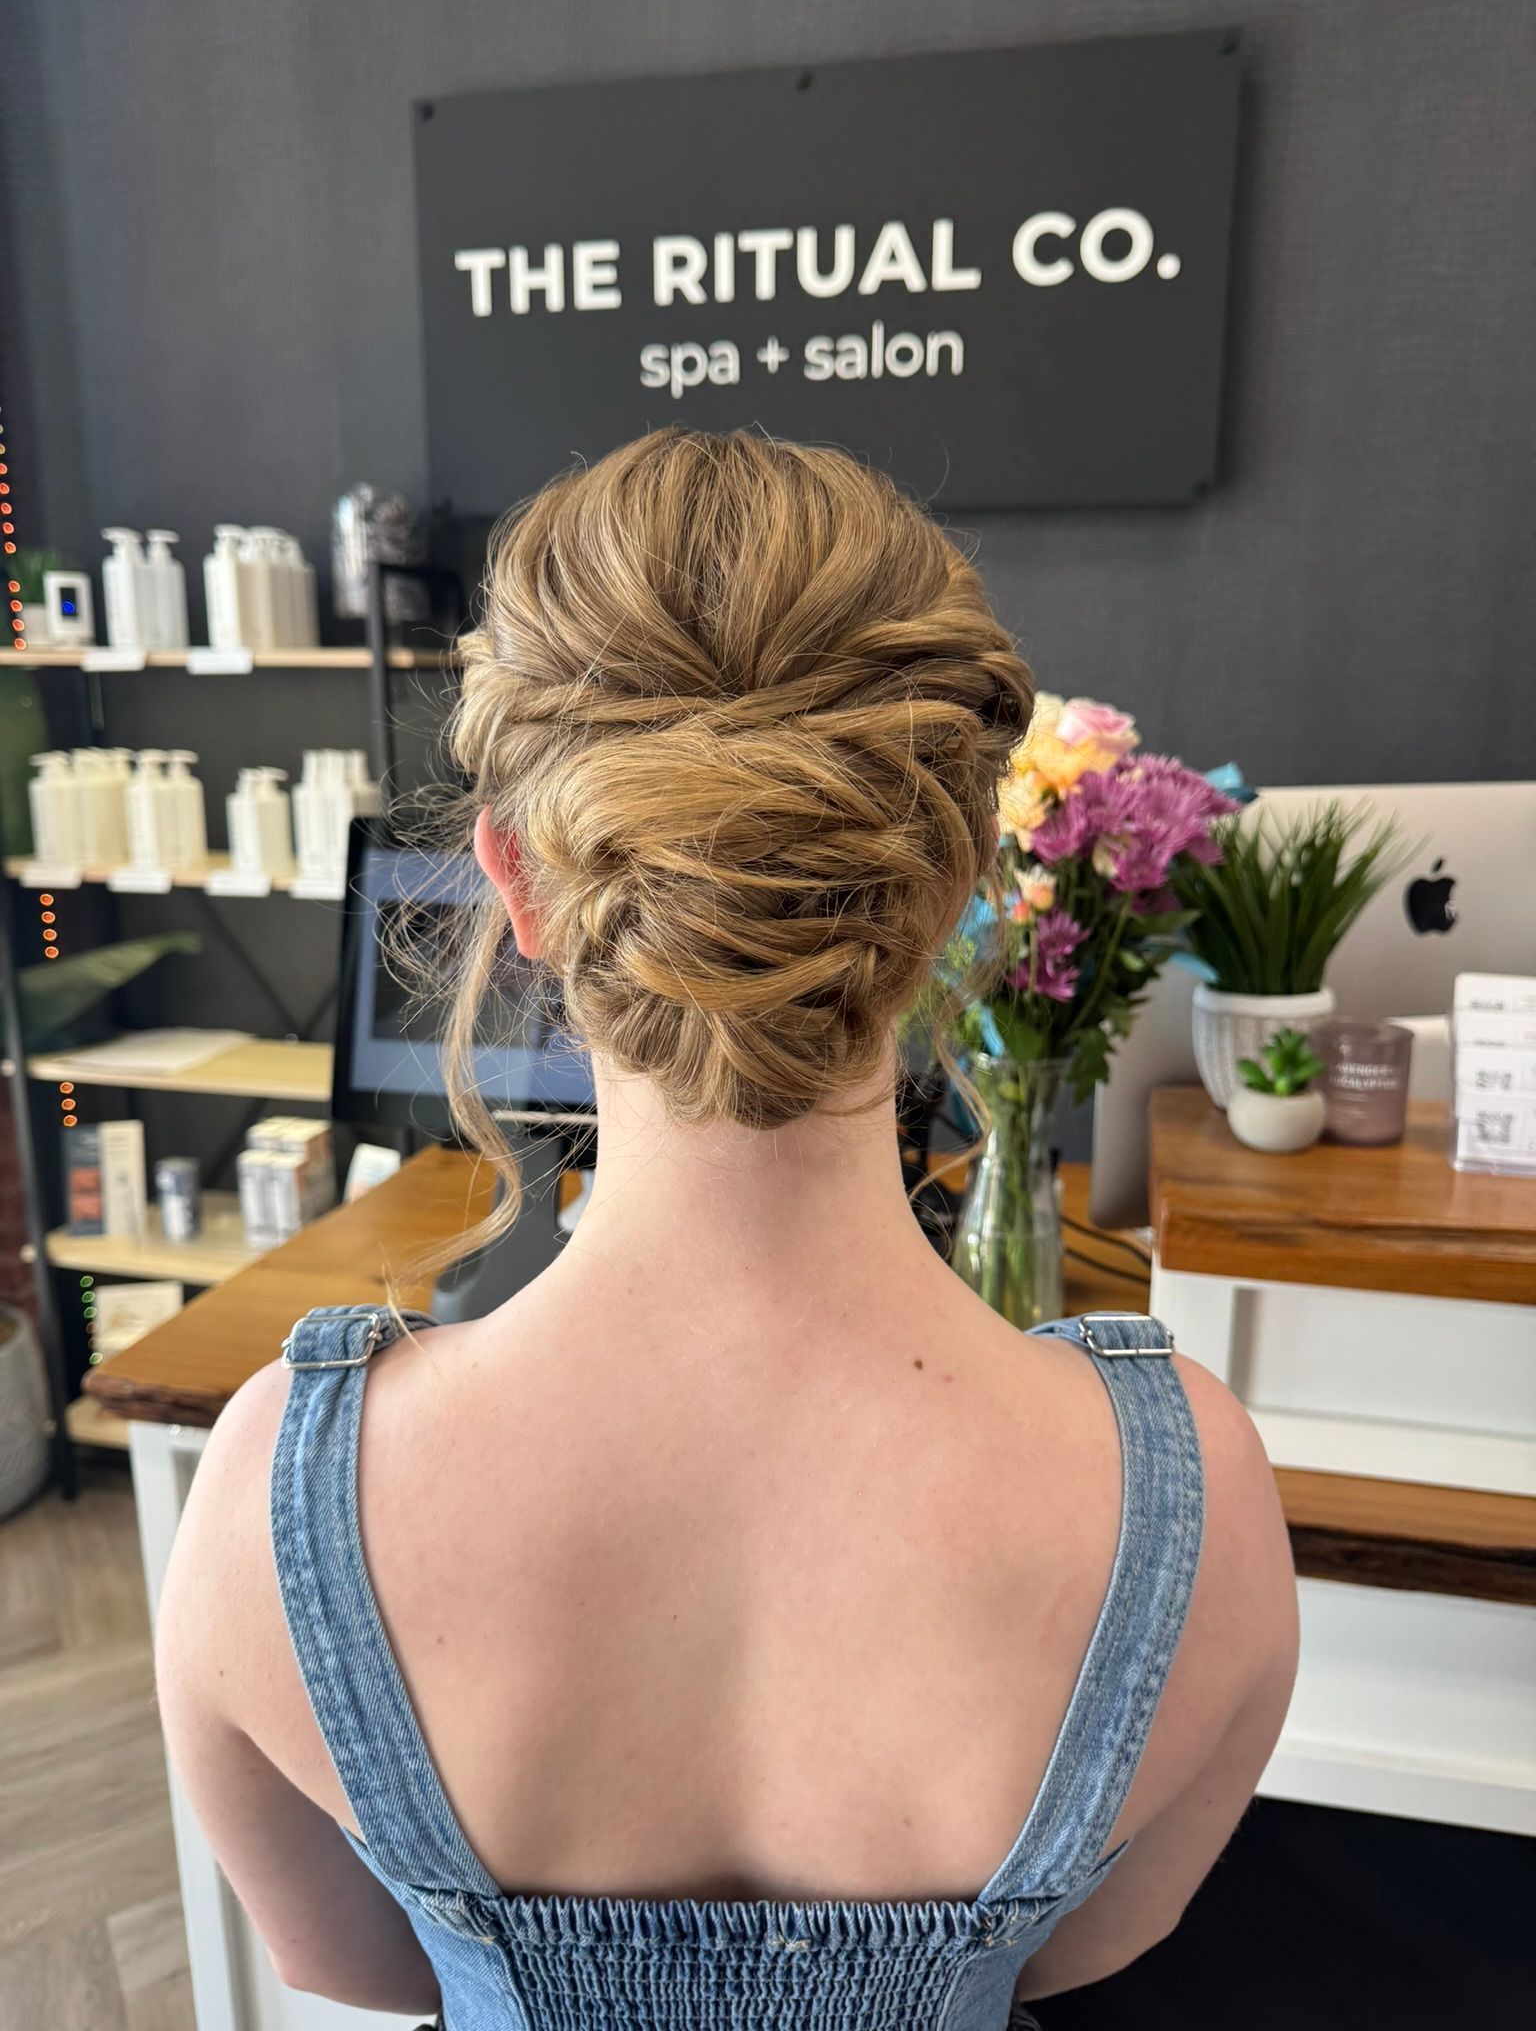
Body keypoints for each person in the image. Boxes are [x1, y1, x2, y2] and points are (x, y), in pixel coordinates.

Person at [155, 428, 1297, 2029]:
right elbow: (1088, 1951)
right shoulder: (1193, 1492)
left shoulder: (277, 1489)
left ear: (516, 882)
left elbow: (339, 1962)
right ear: (960, 876)